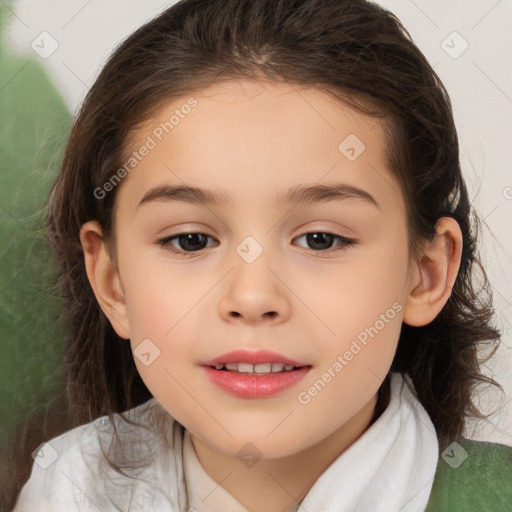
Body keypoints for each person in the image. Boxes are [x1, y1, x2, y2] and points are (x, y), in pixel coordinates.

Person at [12, 0, 512, 510]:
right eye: (190, 240)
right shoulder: (64, 489)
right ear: (112, 281)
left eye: (321, 239)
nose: (252, 298)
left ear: (424, 274)